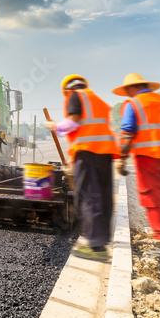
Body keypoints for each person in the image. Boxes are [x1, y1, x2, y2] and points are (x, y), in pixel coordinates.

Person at [46, 74, 119, 262]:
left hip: (88, 154)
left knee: (88, 197)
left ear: (67, 90)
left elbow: (72, 123)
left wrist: (54, 126)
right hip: (105, 154)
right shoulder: (98, 101)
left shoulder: (76, 96)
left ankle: (95, 248)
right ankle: (101, 240)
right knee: (102, 198)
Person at [113, 73, 160, 247]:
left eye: (127, 91)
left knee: (149, 195)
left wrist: (122, 159)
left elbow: (128, 132)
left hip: (148, 156)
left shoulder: (134, 104)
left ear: (131, 88)